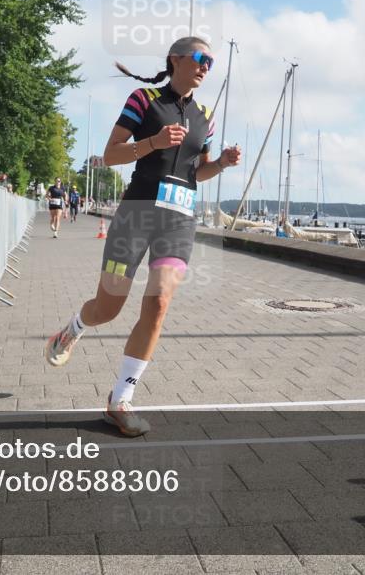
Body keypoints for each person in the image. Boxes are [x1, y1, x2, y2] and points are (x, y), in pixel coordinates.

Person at [44, 36, 241, 436]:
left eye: (211, 63)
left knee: (159, 302)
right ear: (176, 59)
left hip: (178, 219)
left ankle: (120, 400)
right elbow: (111, 153)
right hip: (136, 213)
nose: (206, 67)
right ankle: (75, 328)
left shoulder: (206, 115)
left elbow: (196, 172)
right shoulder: (144, 99)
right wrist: (151, 142)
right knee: (109, 308)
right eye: (201, 58)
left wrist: (219, 163)